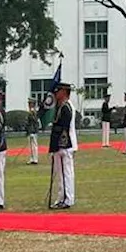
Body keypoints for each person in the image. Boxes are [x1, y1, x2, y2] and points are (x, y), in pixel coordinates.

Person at [49, 82, 78, 210]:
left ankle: (66, 199)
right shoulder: (63, 106)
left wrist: (55, 145)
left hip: (65, 144)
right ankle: (63, 197)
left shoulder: (66, 107)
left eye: (58, 91)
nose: (56, 94)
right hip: (64, 144)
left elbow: (62, 128)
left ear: (64, 92)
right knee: (63, 173)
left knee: (65, 173)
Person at [25, 98, 41, 165]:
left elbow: (34, 122)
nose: (29, 104)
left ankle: (35, 159)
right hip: (30, 131)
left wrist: (32, 131)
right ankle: (32, 158)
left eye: (30, 103)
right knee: (31, 146)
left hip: (33, 131)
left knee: (34, 145)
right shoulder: (31, 111)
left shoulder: (33, 112)